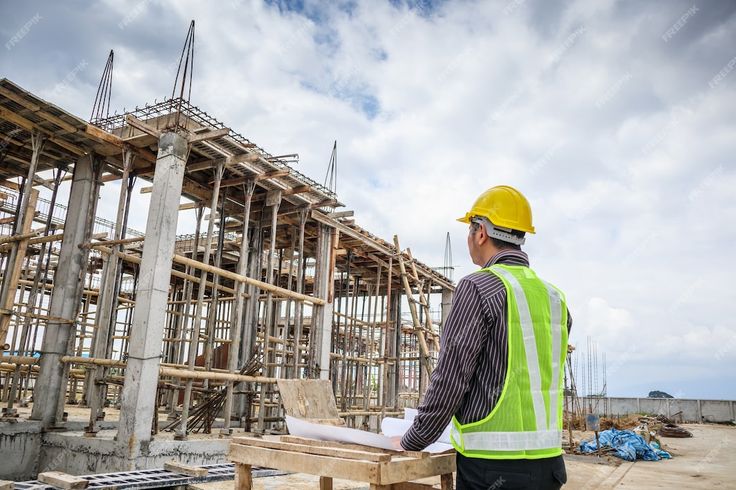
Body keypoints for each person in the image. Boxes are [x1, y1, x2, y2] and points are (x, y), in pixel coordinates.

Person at [398, 185, 571, 489]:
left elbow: (451, 378)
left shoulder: (478, 287)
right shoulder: (555, 298)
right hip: (550, 465)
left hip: (492, 468)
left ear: (481, 233)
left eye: (469, 230)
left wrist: (414, 438)